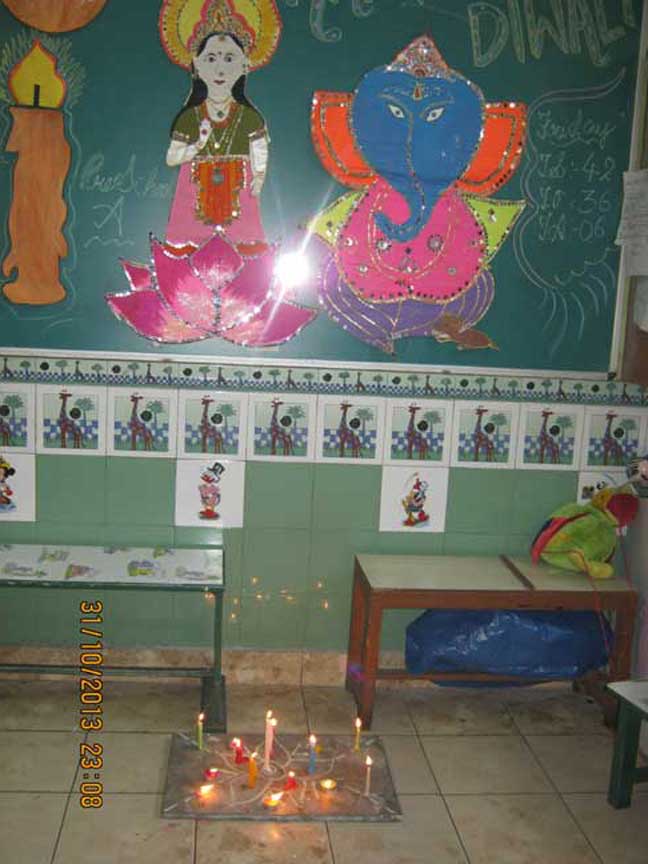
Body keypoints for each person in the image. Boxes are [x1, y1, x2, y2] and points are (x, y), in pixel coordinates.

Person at [165, 31, 269, 251]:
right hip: (194, 196)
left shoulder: (250, 118)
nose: (220, 70)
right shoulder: (188, 118)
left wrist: (259, 177)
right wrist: (197, 146)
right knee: (185, 253)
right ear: (197, 65)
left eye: (229, 58)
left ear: (244, 65)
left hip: (239, 195)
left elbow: (259, 151)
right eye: (211, 58)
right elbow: (172, 158)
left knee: (247, 251)